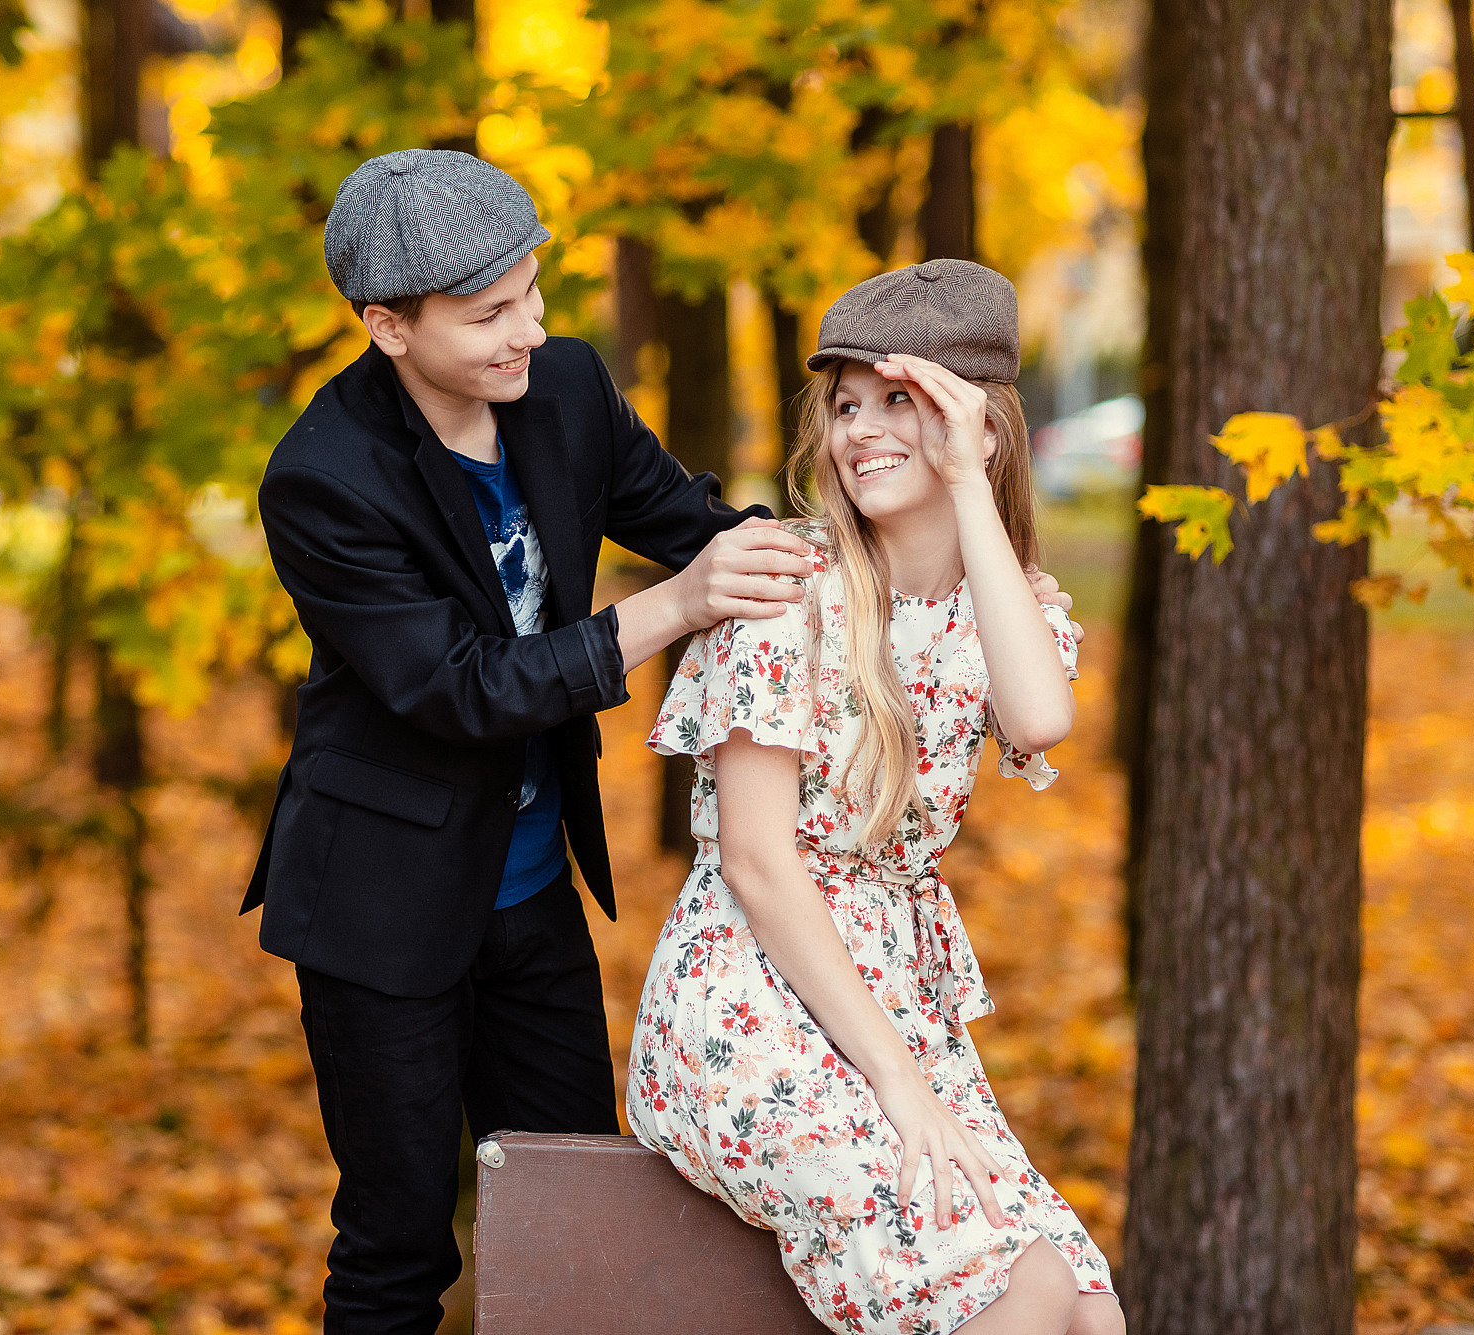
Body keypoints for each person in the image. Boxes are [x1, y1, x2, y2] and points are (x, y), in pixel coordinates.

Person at [249, 149, 1080, 1334]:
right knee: (395, 1239)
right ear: (388, 326)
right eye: (490, 316)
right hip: (381, 897)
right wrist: (677, 607)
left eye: (532, 293)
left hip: (528, 889)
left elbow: (698, 525)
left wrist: (849, 576)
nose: (528, 331)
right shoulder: (324, 478)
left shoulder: (564, 389)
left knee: (580, 1208)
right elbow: (455, 688)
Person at [625, 260, 1123, 1335]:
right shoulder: (784, 591)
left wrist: (963, 489)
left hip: (897, 997)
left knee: (1085, 1307)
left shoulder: (1000, 607)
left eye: (900, 398)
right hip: (750, 1004)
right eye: (845, 404)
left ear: (976, 426)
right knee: (1016, 1293)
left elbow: (1038, 720)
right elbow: (759, 865)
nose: (860, 430)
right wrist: (901, 1091)